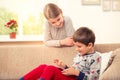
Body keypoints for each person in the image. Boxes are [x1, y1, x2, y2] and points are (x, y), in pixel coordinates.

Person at [19, 27, 101, 80]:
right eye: (75, 46)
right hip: (71, 77)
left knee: (51, 69)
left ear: (90, 45)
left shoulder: (96, 57)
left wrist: (76, 73)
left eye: (79, 47)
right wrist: (64, 66)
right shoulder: (81, 54)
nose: (76, 49)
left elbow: (94, 78)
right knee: (43, 66)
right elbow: (73, 70)